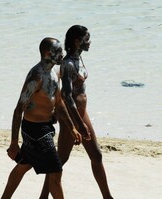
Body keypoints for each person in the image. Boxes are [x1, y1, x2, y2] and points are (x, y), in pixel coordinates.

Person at [1, 37, 83, 199]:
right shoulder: (35, 76)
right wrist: (13, 142)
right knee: (55, 171)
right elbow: (18, 110)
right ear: (47, 53)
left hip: (45, 128)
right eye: (59, 51)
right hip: (34, 130)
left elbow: (59, 104)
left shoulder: (54, 73)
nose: (62, 54)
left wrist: (72, 127)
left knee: (24, 164)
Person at [40, 25, 114, 199]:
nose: (90, 42)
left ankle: (107, 197)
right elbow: (66, 95)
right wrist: (78, 125)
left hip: (82, 112)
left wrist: (82, 120)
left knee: (96, 155)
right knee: (59, 161)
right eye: (87, 39)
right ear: (77, 41)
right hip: (72, 117)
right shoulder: (67, 64)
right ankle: (43, 196)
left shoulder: (79, 59)